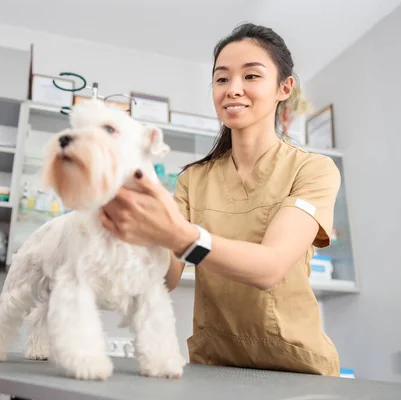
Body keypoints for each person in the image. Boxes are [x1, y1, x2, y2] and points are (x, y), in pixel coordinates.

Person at [99, 22, 341, 377]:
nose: (233, 90)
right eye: (222, 78)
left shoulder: (313, 170)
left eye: (252, 76)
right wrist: (129, 232)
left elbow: (270, 267)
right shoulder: (193, 180)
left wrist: (177, 235)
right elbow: (165, 278)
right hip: (214, 368)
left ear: (283, 88)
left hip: (297, 369)